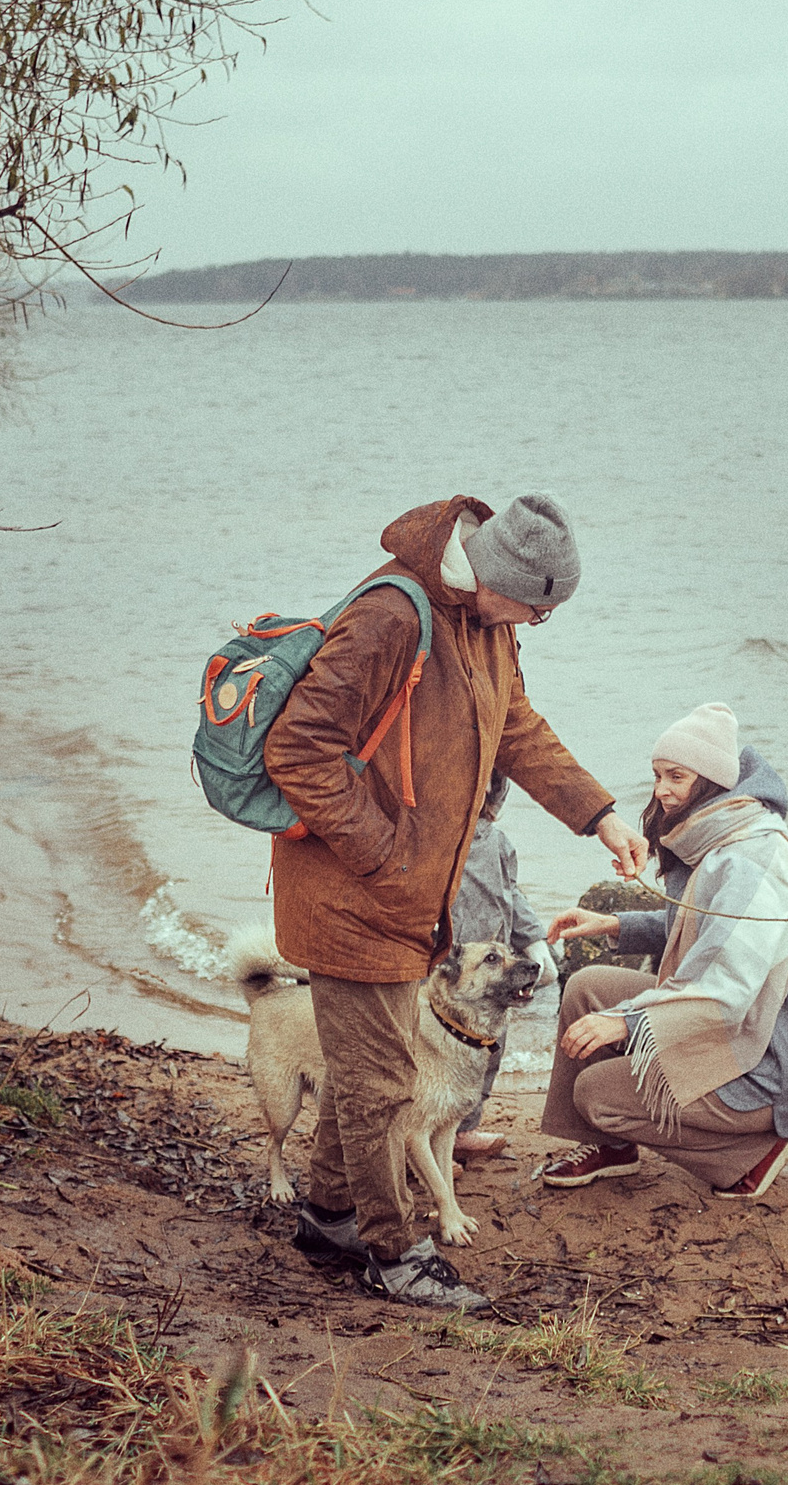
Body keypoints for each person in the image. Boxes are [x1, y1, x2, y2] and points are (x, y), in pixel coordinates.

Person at [265, 495, 645, 1312]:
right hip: (349, 893)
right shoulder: (390, 616)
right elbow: (297, 747)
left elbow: (518, 728)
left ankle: (328, 1214)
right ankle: (394, 1250)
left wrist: (600, 815)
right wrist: (385, 854)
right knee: (383, 1079)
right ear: (502, 578)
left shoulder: (488, 624)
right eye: (538, 608)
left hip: (409, 899)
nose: (539, 623)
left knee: (370, 1068)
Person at [536, 703, 788, 1199]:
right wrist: (613, 925)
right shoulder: (718, 831)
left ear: (711, 780)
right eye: (657, 775)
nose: (661, 790)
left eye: (676, 776)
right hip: (732, 1025)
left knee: (596, 1093)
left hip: (759, 1060)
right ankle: (610, 1148)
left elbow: (726, 990)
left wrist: (628, 1023)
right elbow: (705, 929)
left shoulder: (755, 857)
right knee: (587, 989)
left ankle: (749, 1151)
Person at [448, 773, 551, 1163]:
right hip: (452, 968)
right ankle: (435, 1134)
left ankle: (463, 1129)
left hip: (494, 969)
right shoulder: (441, 838)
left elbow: (513, 894)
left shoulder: (496, 841)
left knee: (490, 1045)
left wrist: (535, 940)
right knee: (442, 1050)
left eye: (489, 785)